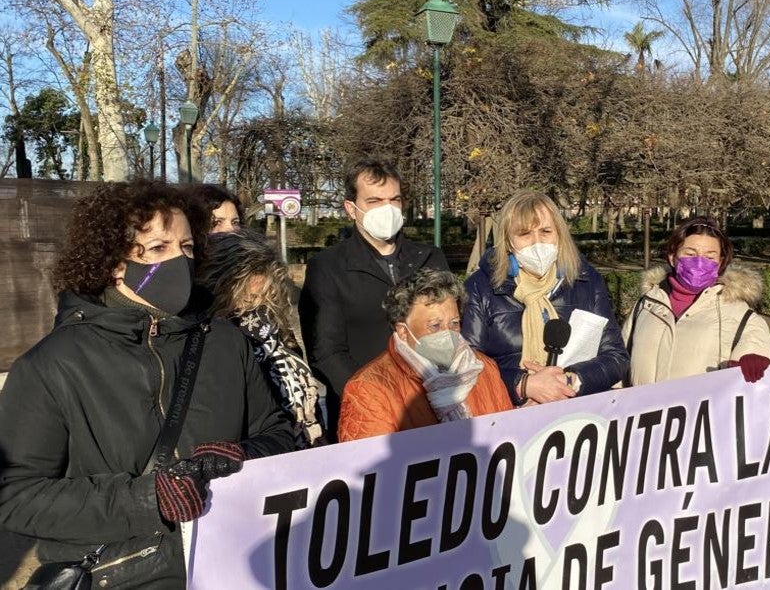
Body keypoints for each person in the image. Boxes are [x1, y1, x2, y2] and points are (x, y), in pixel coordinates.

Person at [0, 180, 298, 587]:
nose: (180, 261)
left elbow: (278, 433)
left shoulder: (226, 341)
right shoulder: (53, 365)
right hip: (123, 575)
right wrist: (145, 499)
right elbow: (15, 496)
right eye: (159, 248)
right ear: (114, 263)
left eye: (188, 247)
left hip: (230, 562)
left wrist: (242, 455)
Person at [298, 159, 449, 436]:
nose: (387, 209)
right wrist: (373, 397)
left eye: (394, 199)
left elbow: (449, 330)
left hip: (433, 405)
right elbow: (326, 352)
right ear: (351, 209)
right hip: (364, 413)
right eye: (375, 201)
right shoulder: (328, 267)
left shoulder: (430, 258)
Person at [462, 190, 629, 405]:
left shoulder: (586, 281)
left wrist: (569, 381)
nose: (537, 242)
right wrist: (524, 385)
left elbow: (615, 357)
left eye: (545, 231)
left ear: (559, 234)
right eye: (524, 234)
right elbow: (466, 365)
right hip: (508, 414)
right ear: (508, 241)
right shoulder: (481, 287)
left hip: (576, 411)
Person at [338, 270, 514, 441]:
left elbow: (508, 435)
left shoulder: (483, 367)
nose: (448, 333)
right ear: (403, 331)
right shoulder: (368, 389)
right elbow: (371, 463)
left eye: (454, 323)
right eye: (435, 326)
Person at [201, 228, 326, 447]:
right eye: (247, 299)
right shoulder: (212, 342)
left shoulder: (275, 329)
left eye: (265, 299)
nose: (255, 309)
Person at [624, 216, 770, 385]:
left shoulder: (742, 316)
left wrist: (754, 364)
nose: (699, 262)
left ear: (720, 262)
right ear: (673, 257)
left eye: (710, 256)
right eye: (690, 253)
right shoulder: (645, 305)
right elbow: (620, 365)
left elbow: (760, 372)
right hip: (643, 409)